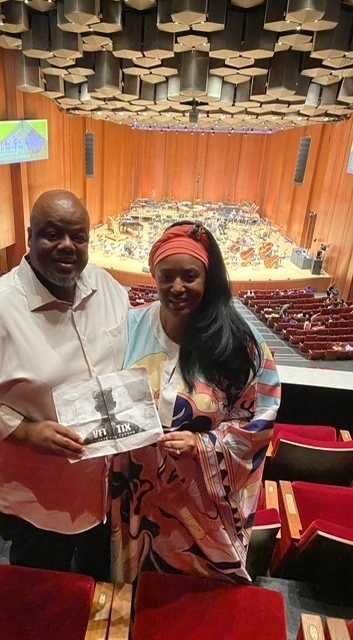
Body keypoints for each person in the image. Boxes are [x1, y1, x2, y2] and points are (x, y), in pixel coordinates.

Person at [0, 189, 129, 580]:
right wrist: (25, 431)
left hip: (110, 491)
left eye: (78, 236)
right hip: (38, 500)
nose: (67, 246)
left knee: (99, 590)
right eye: (52, 234)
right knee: (42, 595)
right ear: (29, 236)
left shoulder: (107, 287)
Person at [111, 221, 281, 585]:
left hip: (201, 505)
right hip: (136, 496)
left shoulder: (240, 343)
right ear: (153, 276)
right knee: (140, 594)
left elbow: (259, 418)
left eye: (190, 276)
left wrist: (203, 444)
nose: (177, 287)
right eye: (166, 276)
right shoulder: (127, 327)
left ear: (208, 277)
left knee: (195, 602)